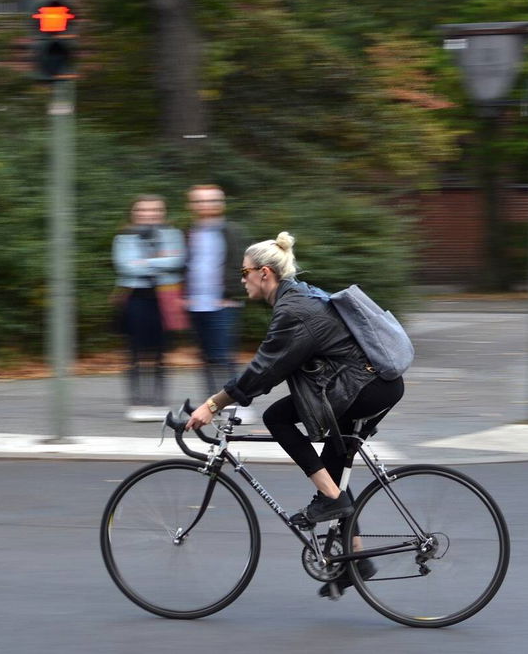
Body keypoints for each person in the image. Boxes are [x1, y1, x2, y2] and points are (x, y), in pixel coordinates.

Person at [184, 231, 404, 599]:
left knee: (278, 419)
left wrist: (213, 404)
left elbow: (264, 370)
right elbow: (272, 367)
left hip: (365, 387)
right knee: (333, 469)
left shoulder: (293, 312)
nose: (242, 280)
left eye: (245, 272)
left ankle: (334, 502)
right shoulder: (297, 298)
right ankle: (357, 562)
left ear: (265, 273)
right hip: (368, 383)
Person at [112, 195, 185, 421]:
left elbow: (178, 261)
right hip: (135, 297)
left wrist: (144, 262)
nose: (148, 214)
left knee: (160, 352)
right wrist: (160, 260)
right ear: (134, 213)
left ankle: (158, 401)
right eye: (142, 210)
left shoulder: (173, 235)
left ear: (162, 212)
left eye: (154, 210)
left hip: (164, 297)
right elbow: (125, 267)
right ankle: (137, 401)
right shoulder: (123, 238)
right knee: (134, 352)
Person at [183, 185, 246, 403]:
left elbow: (244, 264)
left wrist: (234, 294)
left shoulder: (232, 231)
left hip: (223, 304)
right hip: (195, 304)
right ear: (192, 205)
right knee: (206, 357)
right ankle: (212, 403)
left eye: (211, 200)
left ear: (221, 203)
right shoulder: (188, 232)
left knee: (225, 357)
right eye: (200, 201)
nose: (206, 205)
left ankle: (236, 403)